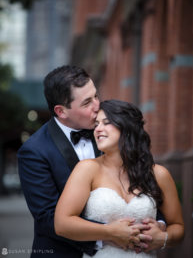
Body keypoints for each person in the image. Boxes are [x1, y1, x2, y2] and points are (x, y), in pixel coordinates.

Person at [18, 65, 165, 258]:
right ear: (61, 111)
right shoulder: (34, 151)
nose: (97, 105)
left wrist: (157, 224)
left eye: (96, 95)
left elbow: (140, 184)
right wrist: (109, 235)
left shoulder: (111, 135)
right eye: (87, 102)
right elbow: (48, 219)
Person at [54, 99, 185, 258]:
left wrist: (163, 238)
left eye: (106, 123)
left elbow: (178, 227)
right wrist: (109, 232)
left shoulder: (159, 174)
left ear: (127, 127)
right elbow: (61, 224)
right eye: (96, 125)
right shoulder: (87, 169)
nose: (98, 129)